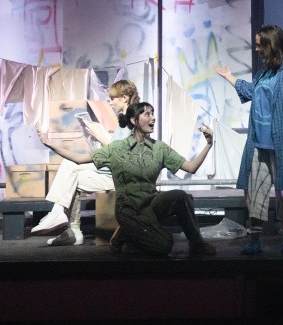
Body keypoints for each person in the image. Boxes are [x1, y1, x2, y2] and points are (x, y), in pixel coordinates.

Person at [38, 101, 217, 256]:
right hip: (129, 209)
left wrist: (208, 144)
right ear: (134, 120)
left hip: (151, 203)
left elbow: (191, 168)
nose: (153, 118)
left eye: (153, 113)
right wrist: (50, 143)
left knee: (181, 196)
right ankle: (126, 235)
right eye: (147, 114)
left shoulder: (160, 148)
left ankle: (197, 243)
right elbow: (78, 159)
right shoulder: (116, 148)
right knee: (164, 246)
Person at [214, 24, 283, 255]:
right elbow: (252, 91)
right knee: (255, 191)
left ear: (273, 44)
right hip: (259, 143)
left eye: (260, 45)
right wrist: (229, 77)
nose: (257, 49)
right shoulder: (266, 71)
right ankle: (255, 238)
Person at [31, 79, 139, 247]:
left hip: (120, 177)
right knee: (69, 170)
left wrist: (100, 136)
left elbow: (122, 154)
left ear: (125, 97)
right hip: (109, 170)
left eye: (113, 98)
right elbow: (113, 148)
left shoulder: (134, 121)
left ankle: (69, 227)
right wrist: (94, 138)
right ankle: (65, 221)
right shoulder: (123, 121)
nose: (110, 102)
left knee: (70, 176)